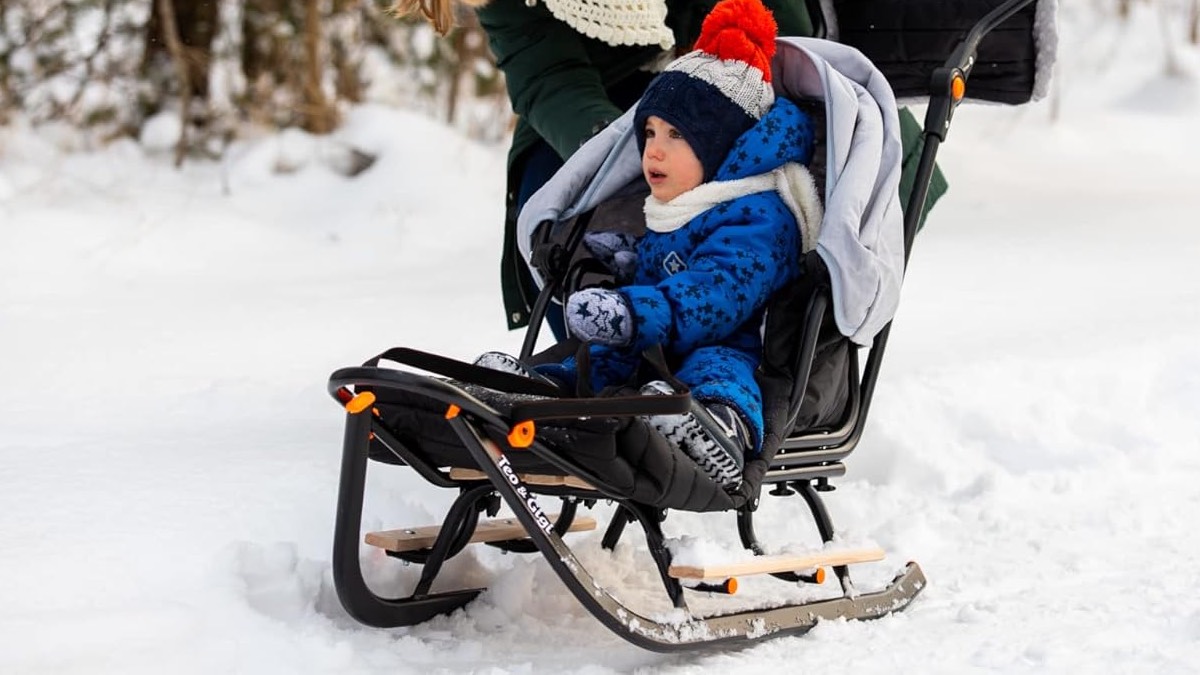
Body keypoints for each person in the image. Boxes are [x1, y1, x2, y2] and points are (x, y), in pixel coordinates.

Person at [481, 0, 823, 488]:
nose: (653, 150)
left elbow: (717, 294)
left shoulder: (758, 213)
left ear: (720, 144)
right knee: (598, 360)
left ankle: (719, 432)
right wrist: (624, 259)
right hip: (660, 346)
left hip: (728, 341)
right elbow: (663, 261)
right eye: (648, 132)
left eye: (675, 135)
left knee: (719, 371)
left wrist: (635, 312)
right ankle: (539, 393)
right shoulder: (676, 204)